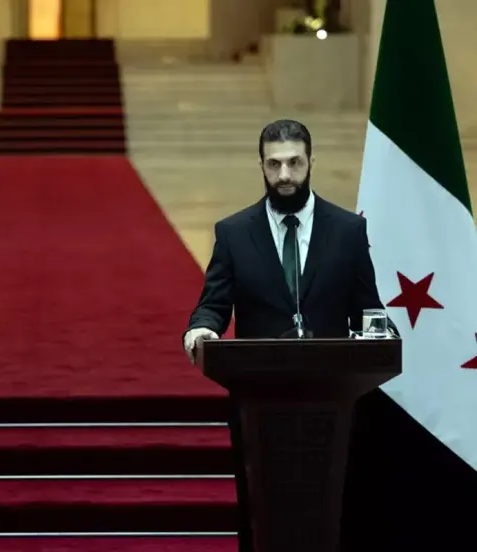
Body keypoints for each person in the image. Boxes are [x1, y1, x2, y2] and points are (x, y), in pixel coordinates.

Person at [181, 119, 397, 552]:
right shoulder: (233, 232)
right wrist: (201, 328)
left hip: (334, 399)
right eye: (274, 164)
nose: (285, 175)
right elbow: (214, 303)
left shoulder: (348, 231)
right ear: (260, 165)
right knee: (260, 512)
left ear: (311, 161)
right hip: (258, 400)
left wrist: (382, 332)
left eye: (295, 163)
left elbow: (367, 307)